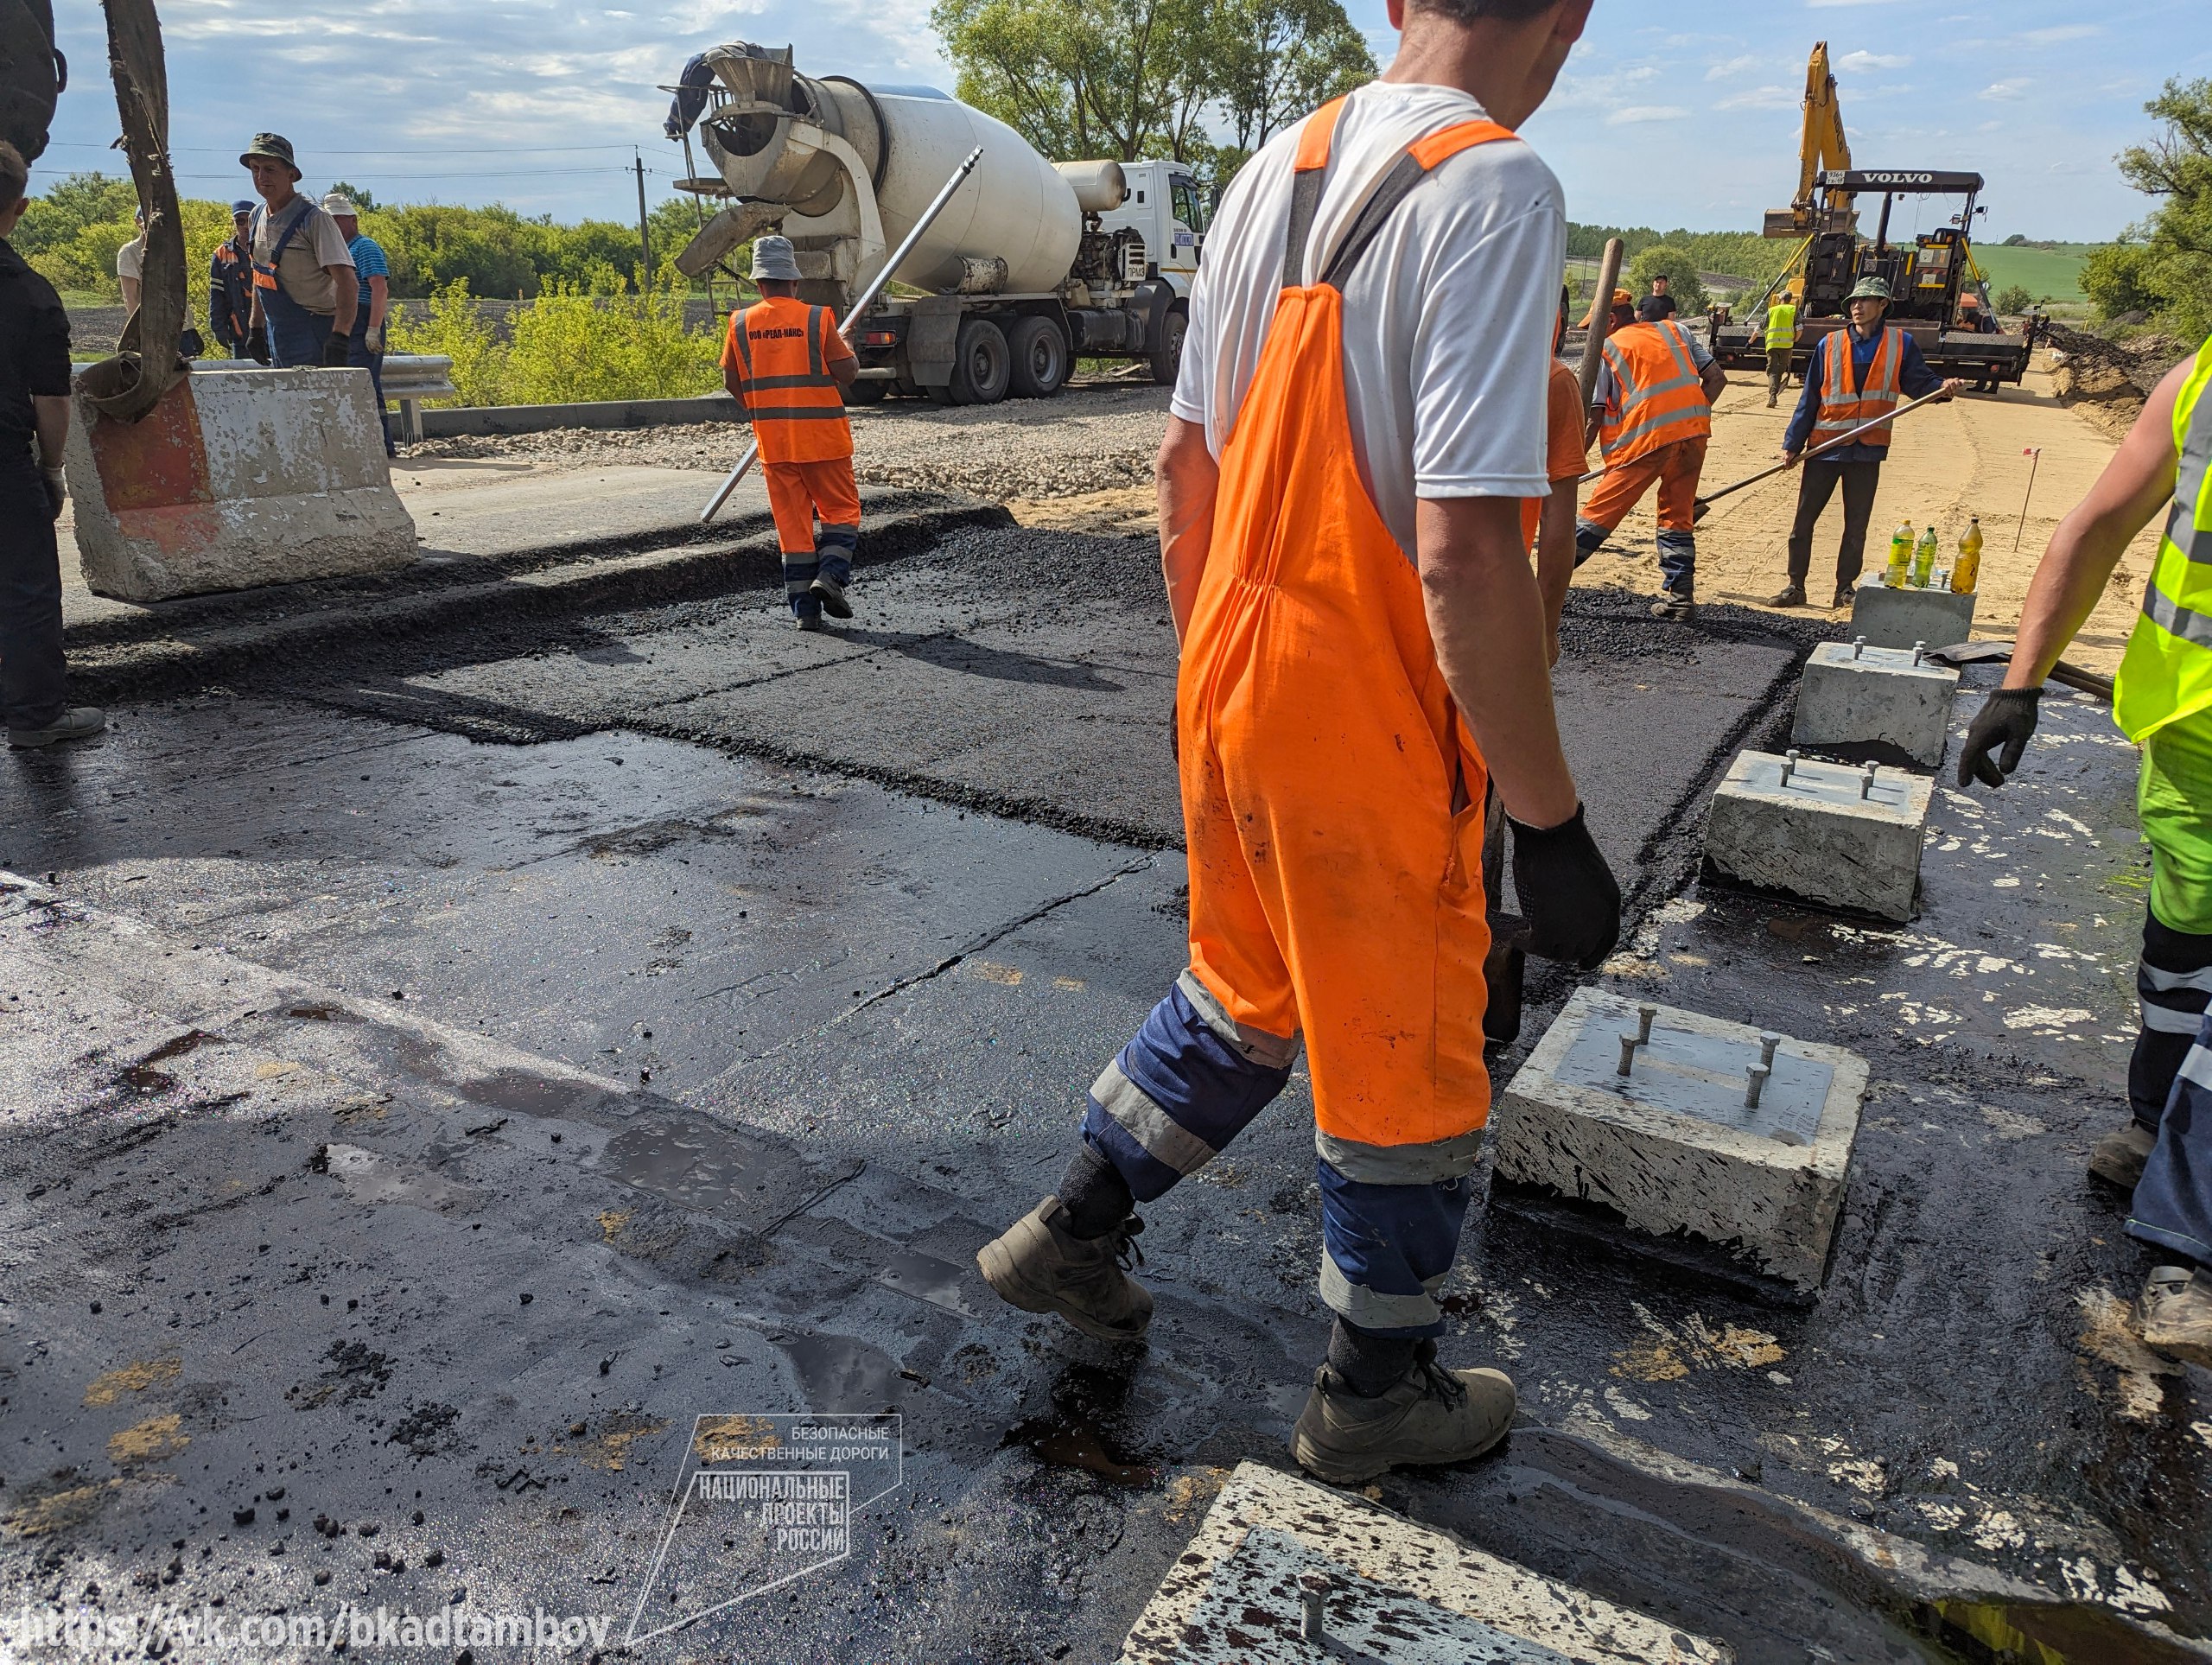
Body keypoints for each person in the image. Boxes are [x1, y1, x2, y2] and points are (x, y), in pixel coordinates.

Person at [974, 0, 1619, 1487]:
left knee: (1250, 985)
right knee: (1405, 1044)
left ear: (1398, 3)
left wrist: (1222, 682)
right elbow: (1462, 552)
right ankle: (1373, 1392)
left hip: (1229, 672)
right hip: (1366, 710)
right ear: (1568, 21)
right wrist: (1555, 821)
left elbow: (1182, 465)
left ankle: (1069, 1231)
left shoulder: (1277, 165)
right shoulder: (1497, 184)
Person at [1955, 334, 2212, 1364]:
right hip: (2188, 728)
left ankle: (2185, 1248)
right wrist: (2020, 678)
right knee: (2180, 951)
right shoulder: (2199, 371)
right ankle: (2157, 1126)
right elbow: (2100, 522)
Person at [1765, 276, 1960, 610]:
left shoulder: (1901, 344)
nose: (1857, 307)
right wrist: (1792, 443)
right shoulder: (1830, 344)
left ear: (1883, 305)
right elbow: (1810, 396)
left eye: (1866, 300)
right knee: (1803, 522)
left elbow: (1920, 382)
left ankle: (1844, 589)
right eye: (1853, 302)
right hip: (1824, 448)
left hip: (1867, 450)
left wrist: (1943, 387)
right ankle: (1795, 586)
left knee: (1856, 526)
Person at [0, 142, 103, 748]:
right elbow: (52, 401)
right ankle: (36, 716)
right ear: (22, 206)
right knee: (26, 584)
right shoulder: (31, 294)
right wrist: (53, 469)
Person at [721, 235, 861, 631]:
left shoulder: (740, 323)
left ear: (759, 283)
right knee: (842, 513)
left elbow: (733, 380)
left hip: (775, 444)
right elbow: (847, 373)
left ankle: (805, 613)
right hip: (824, 441)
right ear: (794, 281)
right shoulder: (818, 318)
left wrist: (760, 414)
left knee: (793, 527)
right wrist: (849, 347)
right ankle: (831, 577)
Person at [1573, 286, 1725, 620]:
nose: (1590, 336)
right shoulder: (1676, 330)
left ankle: (1543, 589)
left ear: (1609, 320)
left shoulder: (1607, 349)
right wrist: (1686, 419)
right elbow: (1716, 378)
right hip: (1694, 434)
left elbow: (1594, 417)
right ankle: (1680, 600)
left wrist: (1569, 464)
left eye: (1593, 327)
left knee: (1597, 517)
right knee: (1677, 516)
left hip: (1646, 442)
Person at [238, 134, 355, 369]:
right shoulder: (256, 216)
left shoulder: (315, 220)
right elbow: (260, 276)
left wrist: (340, 337)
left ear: (291, 175)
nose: (261, 177)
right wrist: (256, 327)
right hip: (278, 331)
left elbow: (348, 282)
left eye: (270, 169)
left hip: (316, 330)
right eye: (255, 169)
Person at [323, 194, 393, 455]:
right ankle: (380, 445)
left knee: (360, 384)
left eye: (338, 219)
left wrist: (373, 329)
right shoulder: (336, 251)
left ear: (352, 220)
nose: (334, 225)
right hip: (345, 318)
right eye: (329, 221)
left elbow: (379, 287)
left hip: (363, 319)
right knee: (365, 385)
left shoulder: (364, 247)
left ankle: (374, 446)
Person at [208, 198, 261, 360]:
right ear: (234, 222)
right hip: (240, 331)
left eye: (250, 220)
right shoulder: (221, 254)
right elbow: (216, 295)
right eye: (240, 221)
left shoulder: (268, 249)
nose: (245, 226)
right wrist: (218, 327)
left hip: (270, 331)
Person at [1764, 289, 1798, 409]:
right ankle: (1774, 393)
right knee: (1780, 370)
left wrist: (1750, 341)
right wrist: (1794, 340)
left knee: (1773, 370)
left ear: (1781, 299)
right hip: (1787, 346)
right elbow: (1799, 329)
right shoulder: (1794, 310)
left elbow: (1760, 327)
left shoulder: (1772, 310)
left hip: (1772, 345)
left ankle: (1773, 395)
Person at [116, 207, 145, 314]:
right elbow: (130, 298)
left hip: (186, 326)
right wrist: (138, 329)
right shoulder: (129, 252)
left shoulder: (172, 250)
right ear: (138, 222)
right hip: (153, 325)